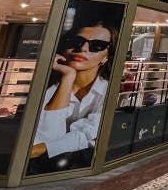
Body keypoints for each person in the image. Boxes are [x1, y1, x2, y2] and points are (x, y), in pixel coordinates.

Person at [29, 20, 117, 174]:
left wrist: (42, 149)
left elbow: (91, 133)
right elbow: (48, 135)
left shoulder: (111, 92)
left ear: (105, 58)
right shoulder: (46, 89)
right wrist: (68, 76)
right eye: (77, 41)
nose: (83, 49)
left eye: (97, 45)